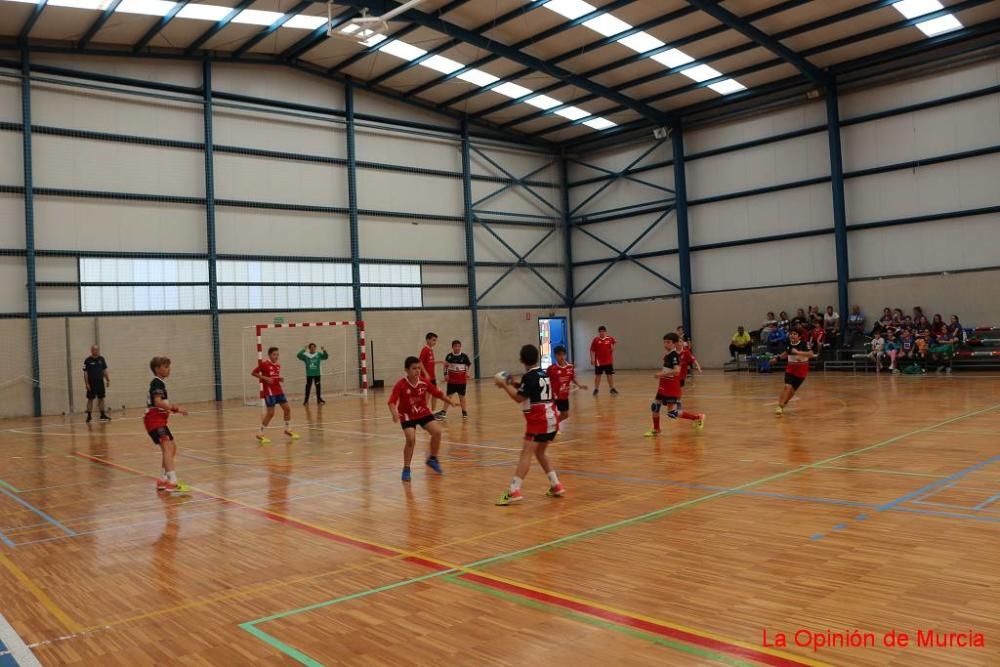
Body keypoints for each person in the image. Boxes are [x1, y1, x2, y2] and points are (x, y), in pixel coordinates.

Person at [495, 345, 564, 506]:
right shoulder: (542, 373)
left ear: (521, 360)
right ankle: (556, 485)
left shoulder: (529, 377)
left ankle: (514, 490)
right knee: (540, 453)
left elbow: (519, 398)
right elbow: (531, 389)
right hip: (552, 419)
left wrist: (505, 385)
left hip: (539, 420)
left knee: (525, 453)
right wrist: (513, 382)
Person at [388, 356, 458, 482]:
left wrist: (450, 402)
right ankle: (406, 468)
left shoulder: (424, 382)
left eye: (419, 368)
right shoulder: (401, 384)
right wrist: (394, 414)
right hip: (407, 414)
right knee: (410, 439)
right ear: (406, 370)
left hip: (422, 412)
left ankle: (433, 459)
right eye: (414, 368)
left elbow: (437, 393)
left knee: (437, 432)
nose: (417, 371)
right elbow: (391, 402)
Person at [644, 332, 705, 437]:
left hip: (671, 388)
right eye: (664, 342)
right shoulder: (668, 355)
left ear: (674, 344)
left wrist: (661, 374)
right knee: (655, 406)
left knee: (672, 413)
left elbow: (677, 371)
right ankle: (656, 429)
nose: (665, 344)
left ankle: (697, 417)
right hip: (663, 386)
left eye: (668, 342)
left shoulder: (674, 355)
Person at [144, 357, 191, 493]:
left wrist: (170, 410)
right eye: (165, 367)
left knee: (172, 447)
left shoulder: (160, 383)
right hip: (154, 420)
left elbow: (160, 404)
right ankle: (173, 481)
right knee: (167, 447)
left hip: (159, 419)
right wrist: (175, 408)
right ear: (157, 369)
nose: (168, 369)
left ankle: (163, 479)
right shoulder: (157, 383)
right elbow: (158, 402)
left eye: (168, 366)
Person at [252, 347, 300, 444]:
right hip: (269, 392)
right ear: (269, 355)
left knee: (287, 408)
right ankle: (260, 433)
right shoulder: (264, 364)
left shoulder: (278, 365)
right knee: (271, 413)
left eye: (277, 354)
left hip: (278, 390)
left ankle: (288, 429)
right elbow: (253, 373)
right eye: (274, 354)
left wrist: (279, 379)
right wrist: (264, 378)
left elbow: (274, 377)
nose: (276, 356)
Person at [775, 329, 815, 416]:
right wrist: (777, 358)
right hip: (790, 368)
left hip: (801, 371)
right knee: (787, 387)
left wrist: (798, 352)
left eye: (795, 334)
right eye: (791, 334)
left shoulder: (804, 344)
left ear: (799, 336)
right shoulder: (788, 344)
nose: (792, 335)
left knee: (791, 392)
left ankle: (784, 403)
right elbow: (786, 353)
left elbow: (811, 354)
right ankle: (779, 406)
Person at [547, 344, 586, 423]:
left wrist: (579, 385)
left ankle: (554, 424)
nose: (562, 357)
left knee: (565, 415)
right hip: (553, 396)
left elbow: (572, 378)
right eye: (559, 355)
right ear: (555, 356)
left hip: (564, 396)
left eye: (563, 354)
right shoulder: (551, 369)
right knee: (550, 414)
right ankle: (551, 427)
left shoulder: (570, 367)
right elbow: (546, 380)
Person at [442, 340, 472, 420]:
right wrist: (445, 374)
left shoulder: (464, 356)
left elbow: (469, 365)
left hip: (461, 382)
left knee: (462, 397)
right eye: (455, 346)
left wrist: (468, 373)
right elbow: (445, 366)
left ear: (460, 347)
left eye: (458, 346)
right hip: (451, 381)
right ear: (452, 347)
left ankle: (464, 412)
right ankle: (444, 412)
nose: (457, 348)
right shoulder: (449, 356)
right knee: (448, 397)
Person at [83, 345, 111, 423]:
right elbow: (85, 373)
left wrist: (107, 379)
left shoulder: (101, 359)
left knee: (101, 398)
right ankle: (89, 416)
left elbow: (104, 370)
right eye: (94, 349)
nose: (96, 351)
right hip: (91, 383)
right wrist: (87, 383)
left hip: (100, 382)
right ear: (91, 350)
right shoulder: (87, 360)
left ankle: (102, 415)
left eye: (97, 349)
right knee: (90, 399)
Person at [419, 333, 444, 417]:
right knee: (427, 395)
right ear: (427, 340)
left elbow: (430, 362)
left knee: (434, 393)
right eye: (433, 340)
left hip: (432, 377)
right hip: (427, 377)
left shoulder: (431, 350)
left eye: (435, 340)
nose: (435, 342)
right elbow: (420, 362)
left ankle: (433, 412)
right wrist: (426, 374)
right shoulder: (425, 349)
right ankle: (424, 412)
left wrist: (440, 362)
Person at [590, 326, 618, 396]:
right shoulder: (595, 340)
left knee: (609, 375)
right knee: (598, 375)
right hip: (598, 362)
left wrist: (613, 347)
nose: (602, 333)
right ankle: (596, 389)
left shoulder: (610, 338)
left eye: (603, 331)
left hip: (608, 361)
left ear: (605, 332)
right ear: (599, 332)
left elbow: (614, 344)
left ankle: (612, 388)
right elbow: (592, 350)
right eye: (600, 331)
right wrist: (592, 359)